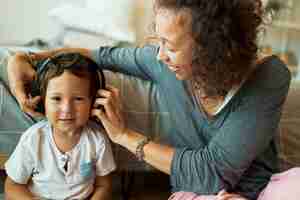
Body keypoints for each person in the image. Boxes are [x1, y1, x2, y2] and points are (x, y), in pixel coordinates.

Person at [6, 0, 300, 199]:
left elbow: (212, 173)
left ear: (212, 48)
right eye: (157, 40)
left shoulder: (269, 76)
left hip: (261, 192)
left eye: (169, 46)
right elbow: (99, 55)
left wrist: (124, 135)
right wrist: (27, 58)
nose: (159, 55)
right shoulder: (160, 63)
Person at [5, 53, 116, 200]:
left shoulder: (98, 140)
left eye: (78, 99)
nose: (67, 109)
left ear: (94, 102)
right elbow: (12, 186)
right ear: (42, 102)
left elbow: (104, 185)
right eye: (56, 98)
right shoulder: (32, 139)